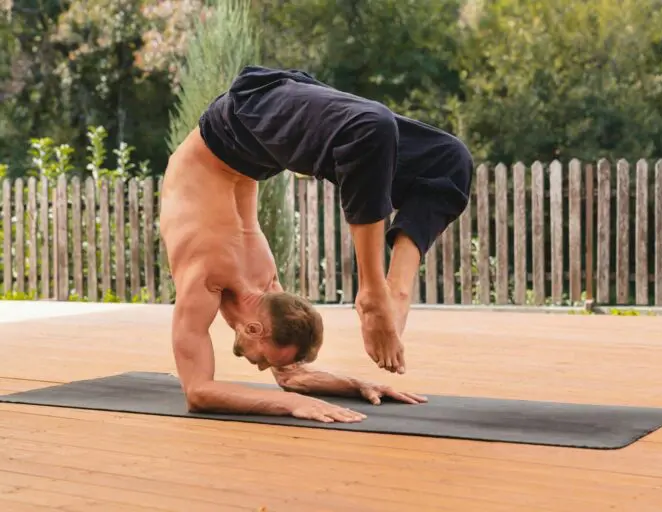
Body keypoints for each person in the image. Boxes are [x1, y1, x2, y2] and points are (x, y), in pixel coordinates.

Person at [159, 66, 473, 424]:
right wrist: (314, 397)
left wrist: (330, 393)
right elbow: (201, 392)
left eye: (265, 360)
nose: (263, 368)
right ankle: (384, 291)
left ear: (255, 329)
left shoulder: (205, 276)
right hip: (257, 134)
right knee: (410, 145)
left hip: (241, 122)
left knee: (411, 145)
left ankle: (387, 291)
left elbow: (200, 390)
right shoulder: (264, 291)